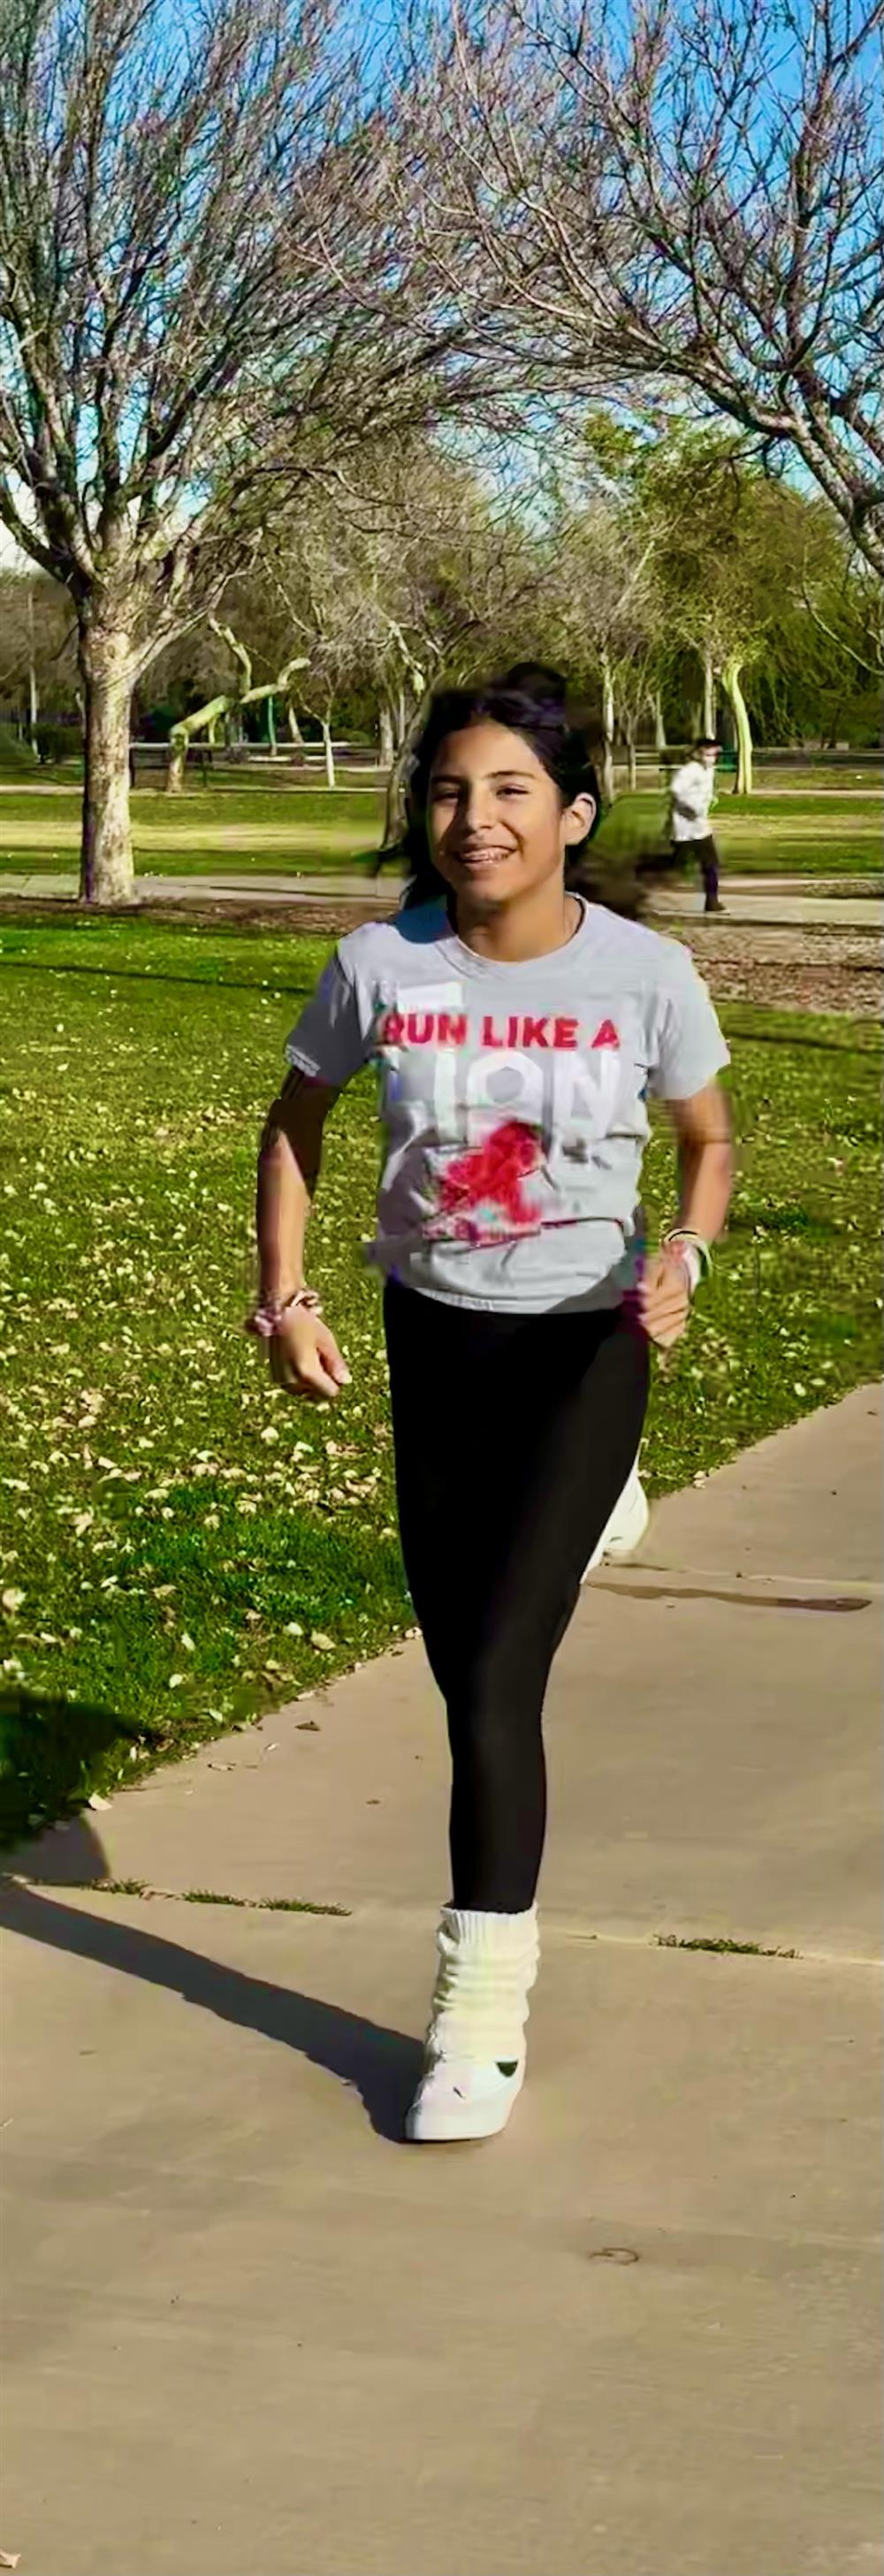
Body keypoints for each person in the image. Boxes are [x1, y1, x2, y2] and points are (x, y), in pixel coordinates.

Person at [251, 667, 733, 2144]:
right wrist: (287, 1297)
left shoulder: (645, 978)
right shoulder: (378, 967)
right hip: (435, 1345)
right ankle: (587, 1519)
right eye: (452, 791)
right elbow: (296, 1122)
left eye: (513, 790)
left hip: (587, 1344)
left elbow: (707, 1141)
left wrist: (687, 1254)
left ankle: (477, 2015)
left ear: (574, 816)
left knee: (497, 1681)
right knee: (461, 1660)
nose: (476, 818)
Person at [668, 737, 724, 913]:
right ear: (699, 753)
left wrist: (710, 800)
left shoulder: (709, 770)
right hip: (685, 825)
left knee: (711, 864)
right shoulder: (690, 770)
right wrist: (693, 807)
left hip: (700, 827)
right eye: (707, 754)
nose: (711, 758)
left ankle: (712, 902)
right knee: (673, 863)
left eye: (714, 754)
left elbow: (704, 792)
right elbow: (676, 790)